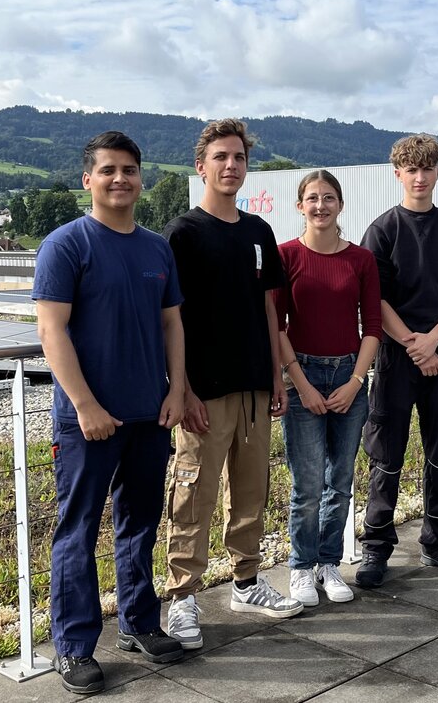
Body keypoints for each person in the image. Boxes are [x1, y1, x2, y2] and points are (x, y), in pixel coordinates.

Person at [33, 131, 186, 694]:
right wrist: (85, 404)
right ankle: (74, 647)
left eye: (129, 170)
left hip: (150, 414)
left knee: (140, 524)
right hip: (87, 421)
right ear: (88, 180)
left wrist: (177, 389)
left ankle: (139, 622)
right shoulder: (66, 245)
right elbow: (50, 331)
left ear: (141, 179)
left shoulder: (156, 248)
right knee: (77, 531)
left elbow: (172, 324)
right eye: (108, 170)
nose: (120, 179)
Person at [162, 118, 302, 650]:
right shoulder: (183, 233)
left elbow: (268, 308)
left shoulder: (259, 232)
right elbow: (170, 318)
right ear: (201, 166)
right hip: (204, 392)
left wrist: (276, 375)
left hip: (254, 388)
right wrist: (182, 389)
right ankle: (182, 596)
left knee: (251, 490)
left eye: (239, 157)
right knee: (193, 494)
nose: (231, 165)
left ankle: (246, 581)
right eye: (220, 157)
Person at [356, 133, 438, 587]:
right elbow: (375, 299)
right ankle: (376, 547)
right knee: (386, 453)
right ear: (398, 174)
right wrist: (413, 345)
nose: (420, 177)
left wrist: (433, 342)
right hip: (395, 353)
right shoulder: (383, 230)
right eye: (412, 170)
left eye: (427, 169)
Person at [274, 170, 382, 606]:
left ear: (341, 204)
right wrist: (300, 384)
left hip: (348, 376)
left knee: (339, 480)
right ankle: (301, 567)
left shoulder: (361, 259)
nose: (321, 206)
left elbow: (372, 327)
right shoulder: (286, 256)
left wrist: (356, 382)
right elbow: (277, 326)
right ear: (300, 206)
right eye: (313, 198)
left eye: (329, 198)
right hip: (301, 375)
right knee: (307, 485)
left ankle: (327, 563)